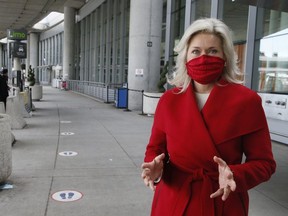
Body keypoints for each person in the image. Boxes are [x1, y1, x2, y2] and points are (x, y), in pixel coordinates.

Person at [141, 18, 276, 216]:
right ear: (185, 57)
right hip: (173, 201)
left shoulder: (247, 101)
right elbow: (156, 148)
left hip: (223, 201)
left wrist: (236, 175)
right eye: (196, 51)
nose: (203, 57)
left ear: (225, 57)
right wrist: (153, 167)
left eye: (213, 51)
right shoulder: (169, 100)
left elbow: (265, 163)